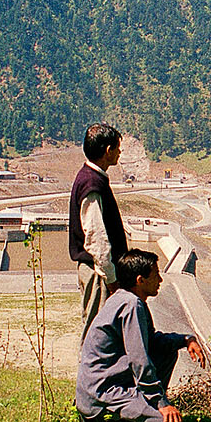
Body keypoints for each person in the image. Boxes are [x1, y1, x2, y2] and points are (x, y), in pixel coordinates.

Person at [76, 248, 207, 422]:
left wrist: (185, 340)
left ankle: (143, 406)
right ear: (140, 280)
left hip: (107, 385)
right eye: (156, 275)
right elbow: (139, 360)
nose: (160, 280)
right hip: (102, 394)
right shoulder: (131, 305)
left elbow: (152, 341)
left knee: (167, 350)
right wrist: (161, 403)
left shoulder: (127, 299)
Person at [69, 123, 128, 329]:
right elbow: (96, 237)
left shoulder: (91, 178)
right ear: (108, 150)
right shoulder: (91, 184)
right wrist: (111, 279)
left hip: (99, 270)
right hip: (98, 272)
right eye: (117, 148)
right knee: (98, 331)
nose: (120, 152)